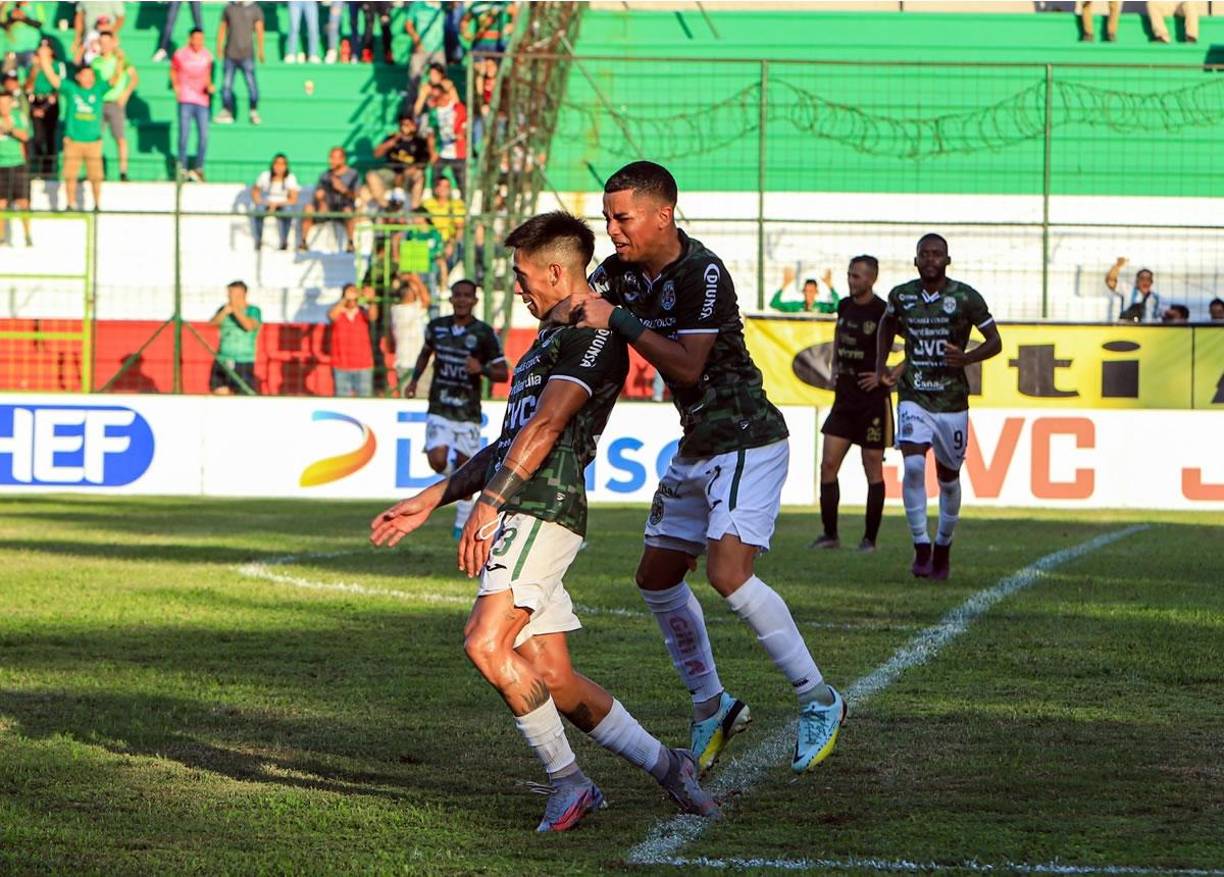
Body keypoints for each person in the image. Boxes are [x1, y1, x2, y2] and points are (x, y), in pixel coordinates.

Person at [370, 211, 718, 833]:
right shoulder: (546, 339)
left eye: (523, 275)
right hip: (527, 505)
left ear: (558, 271)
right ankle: (671, 767)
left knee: (485, 642)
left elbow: (547, 427)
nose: (519, 287)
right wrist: (433, 497)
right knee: (554, 676)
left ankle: (570, 783)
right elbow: (509, 440)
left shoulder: (592, 336)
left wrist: (491, 504)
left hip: (542, 507)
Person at [569, 160, 846, 776]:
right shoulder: (618, 273)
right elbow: (577, 309)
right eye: (607, 218)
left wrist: (615, 317)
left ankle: (818, 698)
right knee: (656, 577)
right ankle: (711, 705)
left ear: (662, 214)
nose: (612, 229)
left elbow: (689, 367)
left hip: (748, 436)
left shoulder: (704, 272)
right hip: (698, 443)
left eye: (622, 217)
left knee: (727, 573)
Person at [874, 233, 1002, 581]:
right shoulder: (902, 295)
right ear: (916, 261)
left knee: (948, 479)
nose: (930, 259)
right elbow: (886, 325)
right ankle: (921, 547)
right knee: (913, 466)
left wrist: (966, 358)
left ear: (947, 260)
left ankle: (943, 548)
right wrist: (880, 365)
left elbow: (995, 342)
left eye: (937, 254)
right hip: (914, 393)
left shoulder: (965, 297)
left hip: (952, 401)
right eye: (924, 254)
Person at [810, 256, 904, 553]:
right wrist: (836, 364)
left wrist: (889, 374)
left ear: (872, 279)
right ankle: (830, 535)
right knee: (827, 465)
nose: (852, 281)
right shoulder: (845, 306)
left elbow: (915, 344)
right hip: (845, 397)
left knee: (872, 467)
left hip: (872, 400)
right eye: (850, 275)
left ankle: (869, 540)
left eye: (858, 277)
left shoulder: (882, 312)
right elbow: (839, 334)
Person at [404, 279, 507, 539]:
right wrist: (414, 380)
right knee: (437, 459)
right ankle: (461, 488)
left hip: (468, 412)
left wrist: (480, 369)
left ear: (474, 300)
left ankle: (462, 518)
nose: (462, 299)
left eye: (467, 295)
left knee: (465, 464)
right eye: (457, 295)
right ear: (450, 299)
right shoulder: (437, 327)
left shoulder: (484, 333)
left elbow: (502, 373)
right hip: (440, 406)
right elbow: (425, 353)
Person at [37, 51, 110, 209]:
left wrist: (118, 57)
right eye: (85, 75)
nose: (88, 79)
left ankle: (97, 204)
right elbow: (53, 79)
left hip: (93, 141)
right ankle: (70, 203)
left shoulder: (98, 89)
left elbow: (116, 78)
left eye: (91, 75)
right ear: (78, 77)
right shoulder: (71, 89)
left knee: (96, 176)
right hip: (73, 140)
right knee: (70, 175)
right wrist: (44, 61)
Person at [90, 30, 137, 181]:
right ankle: (98, 172)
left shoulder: (122, 59)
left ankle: (123, 171)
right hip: (99, 103)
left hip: (115, 103)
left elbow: (134, 78)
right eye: (101, 43)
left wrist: (125, 94)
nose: (104, 46)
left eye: (107, 42)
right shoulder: (95, 62)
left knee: (120, 138)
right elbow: (99, 83)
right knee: (96, 139)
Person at [170, 27, 213, 181]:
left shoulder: (207, 55)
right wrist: (176, 87)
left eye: (201, 39)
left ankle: (198, 167)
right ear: (190, 39)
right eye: (196, 38)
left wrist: (209, 86)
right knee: (184, 135)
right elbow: (173, 70)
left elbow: (208, 74)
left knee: (203, 135)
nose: (198, 42)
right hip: (186, 98)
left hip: (202, 100)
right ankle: (182, 167)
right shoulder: (181, 54)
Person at [215, 0, 264, 126]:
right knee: (226, 86)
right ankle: (227, 111)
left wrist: (261, 50)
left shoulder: (255, 9)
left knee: (252, 85)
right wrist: (219, 46)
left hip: (247, 54)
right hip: (230, 54)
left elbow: (259, 29)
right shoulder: (229, 8)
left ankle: (253, 110)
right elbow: (223, 27)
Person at [300, 146, 358, 252]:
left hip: (343, 208)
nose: (332, 161)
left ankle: (350, 243)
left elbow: (356, 195)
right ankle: (303, 242)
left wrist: (343, 189)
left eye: (335, 158)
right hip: (326, 208)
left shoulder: (353, 174)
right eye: (331, 158)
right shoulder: (325, 175)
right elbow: (318, 193)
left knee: (348, 211)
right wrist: (320, 199)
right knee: (308, 208)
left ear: (343, 159)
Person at [209, 280, 261, 395]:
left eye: (234, 294)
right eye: (229, 294)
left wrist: (236, 310)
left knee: (242, 394)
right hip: (222, 359)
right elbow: (212, 324)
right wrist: (224, 313)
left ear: (243, 294)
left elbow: (248, 326)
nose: (231, 297)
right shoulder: (224, 309)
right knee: (219, 390)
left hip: (242, 360)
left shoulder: (253, 310)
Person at [367, 115, 430, 209]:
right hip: (391, 173)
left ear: (414, 126)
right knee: (370, 175)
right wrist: (394, 140)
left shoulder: (419, 142)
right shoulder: (393, 138)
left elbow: (424, 162)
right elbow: (376, 154)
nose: (404, 127)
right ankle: (386, 206)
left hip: (408, 175)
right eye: (402, 124)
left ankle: (414, 207)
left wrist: (410, 170)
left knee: (419, 176)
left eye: (408, 124)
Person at [328, 283, 378, 397]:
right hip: (341, 365)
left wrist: (371, 300)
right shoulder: (338, 312)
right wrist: (345, 299)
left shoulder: (362, 312)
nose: (352, 298)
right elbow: (332, 316)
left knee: (365, 401)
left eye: (355, 294)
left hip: (363, 366)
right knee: (342, 402)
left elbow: (373, 316)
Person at [25, 39, 65, 177]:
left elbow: (59, 86)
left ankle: (49, 170)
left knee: (50, 136)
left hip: (50, 102)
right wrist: (35, 69)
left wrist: (46, 106)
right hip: (35, 100)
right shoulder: (32, 66)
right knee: (37, 137)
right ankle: (38, 168)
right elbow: (28, 86)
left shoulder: (57, 65)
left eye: (46, 47)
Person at [388, 272, 430, 396]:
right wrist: (416, 279)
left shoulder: (395, 310)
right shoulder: (409, 309)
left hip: (405, 361)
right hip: (416, 363)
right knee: (420, 398)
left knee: (407, 397)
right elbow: (426, 299)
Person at [0, 87, 32, 246]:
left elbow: (25, 136)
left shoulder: (18, 117)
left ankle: (27, 235)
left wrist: (10, 128)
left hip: (18, 164)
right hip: (1, 165)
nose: (3, 107)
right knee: (1, 203)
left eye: (5, 103)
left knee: (23, 201)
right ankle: (1, 237)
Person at [422, 78, 466, 193]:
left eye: (438, 96)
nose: (435, 100)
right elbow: (431, 134)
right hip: (440, 152)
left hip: (458, 153)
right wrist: (433, 152)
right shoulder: (433, 113)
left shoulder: (458, 108)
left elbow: (465, 127)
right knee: (434, 179)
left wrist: (461, 134)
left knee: (463, 182)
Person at [251, 152, 299, 250]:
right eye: (277, 163)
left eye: (282, 164)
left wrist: (276, 204)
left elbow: (293, 199)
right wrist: (263, 202)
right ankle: (258, 240)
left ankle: (284, 241)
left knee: (288, 211)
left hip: (283, 203)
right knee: (258, 209)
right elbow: (255, 192)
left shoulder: (290, 178)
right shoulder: (265, 176)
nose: (279, 167)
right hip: (266, 202)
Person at [420, 174, 464, 267]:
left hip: (448, 241)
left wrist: (451, 244)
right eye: (440, 185)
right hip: (430, 240)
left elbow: (459, 228)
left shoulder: (456, 204)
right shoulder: (427, 204)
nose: (442, 189)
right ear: (435, 188)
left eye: (446, 186)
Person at [405, 1, 445, 90]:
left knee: (440, 83)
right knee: (414, 81)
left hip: (438, 49)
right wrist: (417, 40)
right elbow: (408, 24)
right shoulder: (417, 5)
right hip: (420, 49)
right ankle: (412, 103)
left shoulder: (444, 5)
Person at [1106, 258, 1161, 323]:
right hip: (1129, 328)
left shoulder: (1155, 297)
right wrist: (1118, 265)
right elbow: (1110, 281)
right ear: (1137, 281)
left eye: (1148, 279)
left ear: (1151, 282)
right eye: (1142, 279)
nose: (1145, 282)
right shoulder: (1128, 290)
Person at [769, 267, 839, 315]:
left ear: (816, 292)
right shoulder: (796, 306)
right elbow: (774, 304)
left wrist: (830, 286)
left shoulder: (822, 307)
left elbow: (838, 307)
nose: (808, 294)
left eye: (811, 291)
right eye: (806, 291)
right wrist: (784, 284)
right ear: (803, 292)